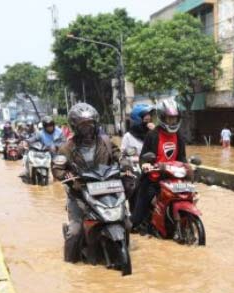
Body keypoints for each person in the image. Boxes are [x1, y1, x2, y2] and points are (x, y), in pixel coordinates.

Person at [52, 103, 121, 262]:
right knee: (75, 232)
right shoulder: (67, 148)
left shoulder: (105, 141)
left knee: (126, 221)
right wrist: (67, 177)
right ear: (75, 127)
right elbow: (57, 168)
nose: (87, 128)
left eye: (90, 124)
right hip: (79, 193)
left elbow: (118, 154)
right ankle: (69, 263)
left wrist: (125, 164)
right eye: (83, 125)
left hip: (106, 189)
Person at [131, 99, 187, 231]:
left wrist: (188, 167)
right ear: (162, 117)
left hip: (173, 178)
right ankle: (135, 224)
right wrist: (145, 165)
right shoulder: (153, 135)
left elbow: (182, 157)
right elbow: (143, 157)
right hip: (153, 179)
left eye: (174, 119)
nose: (172, 122)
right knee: (137, 218)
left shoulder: (179, 136)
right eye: (169, 118)